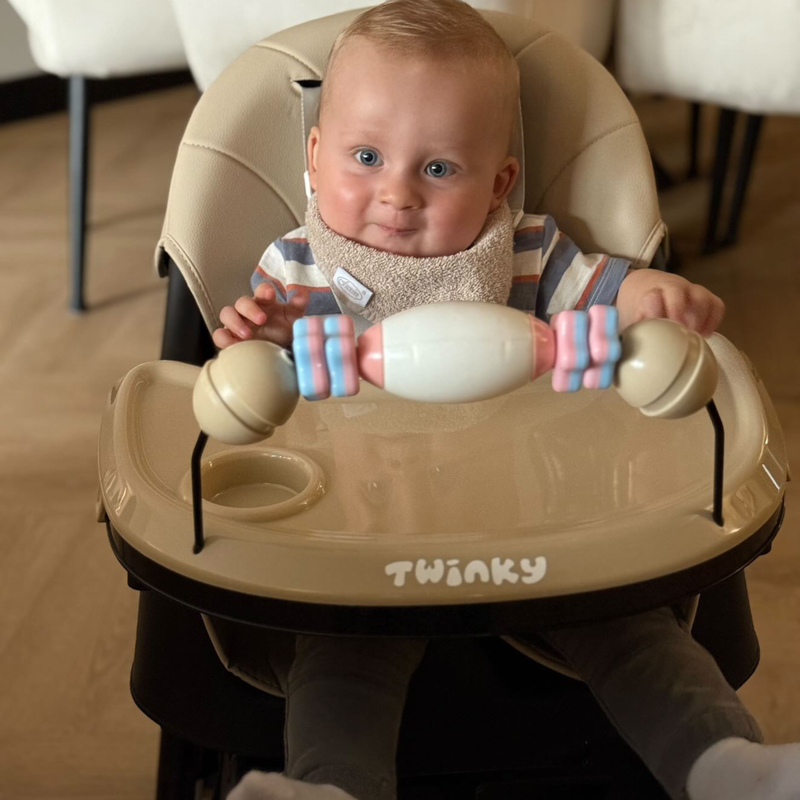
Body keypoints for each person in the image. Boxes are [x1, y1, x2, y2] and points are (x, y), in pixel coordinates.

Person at [214, 2, 800, 799]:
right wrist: (259, 340)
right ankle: (332, 788)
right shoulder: (294, 271)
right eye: (366, 156)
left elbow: (611, 295)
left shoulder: (525, 253)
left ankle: (728, 766)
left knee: (632, 628)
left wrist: (656, 297)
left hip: (535, 522)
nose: (397, 194)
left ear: (499, 183)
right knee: (341, 656)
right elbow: (249, 400)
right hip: (357, 531)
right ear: (314, 158)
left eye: (439, 169)